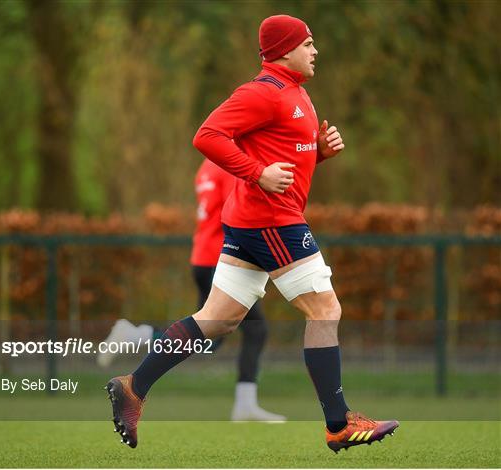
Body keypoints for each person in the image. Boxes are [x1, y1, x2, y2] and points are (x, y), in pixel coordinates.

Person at [105, 14, 398, 453]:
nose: (315, 51)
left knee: (218, 318)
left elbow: (284, 163)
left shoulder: (299, 94)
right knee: (325, 309)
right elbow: (207, 136)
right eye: (308, 43)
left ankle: (134, 385)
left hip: (253, 221)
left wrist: (317, 154)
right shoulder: (264, 92)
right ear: (284, 50)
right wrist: (258, 173)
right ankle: (338, 424)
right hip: (273, 222)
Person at [98, 158, 285, 422]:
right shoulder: (232, 166)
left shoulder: (208, 165)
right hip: (224, 258)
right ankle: (244, 404)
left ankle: (139, 335)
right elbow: (240, 211)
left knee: (213, 337)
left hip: (204, 257)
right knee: (241, 331)